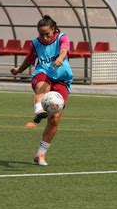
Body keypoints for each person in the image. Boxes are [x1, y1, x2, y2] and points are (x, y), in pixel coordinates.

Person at [11, 15, 73, 166]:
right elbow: (29, 59)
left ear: (54, 30)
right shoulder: (35, 43)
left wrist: (60, 58)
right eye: (41, 34)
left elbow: (65, 50)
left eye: (47, 34)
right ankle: (38, 109)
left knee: (54, 120)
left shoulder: (63, 38)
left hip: (62, 79)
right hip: (42, 73)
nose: (44, 37)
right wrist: (19, 70)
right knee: (42, 86)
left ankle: (40, 154)